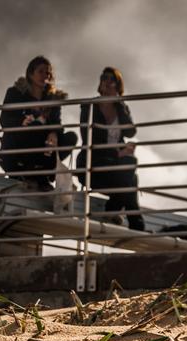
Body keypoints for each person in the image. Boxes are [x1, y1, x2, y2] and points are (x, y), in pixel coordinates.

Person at [77, 67, 144, 231]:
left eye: (112, 79)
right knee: (131, 179)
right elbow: (88, 139)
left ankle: (124, 218)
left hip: (114, 172)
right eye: (104, 78)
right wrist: (117, 154)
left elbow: (130, 131)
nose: (107, 81)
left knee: (130, 169)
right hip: (93, 167)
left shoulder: (121, 108)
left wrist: (120, 106)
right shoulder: (89, 106)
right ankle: (132, 223)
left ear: (118, 85)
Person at [0, 56, 78, 191]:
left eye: (48, 73)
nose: (45, 76)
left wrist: (54, 133)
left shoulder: (52, 99)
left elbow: (57, 124)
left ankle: (43, 174)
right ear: (30, 74)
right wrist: (21, 122)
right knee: (35, 128)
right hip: (20, 143)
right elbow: (4, 119)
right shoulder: (15, 93)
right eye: (40, 71)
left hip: (44, 147)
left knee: (71, 137)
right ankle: (31, 174)